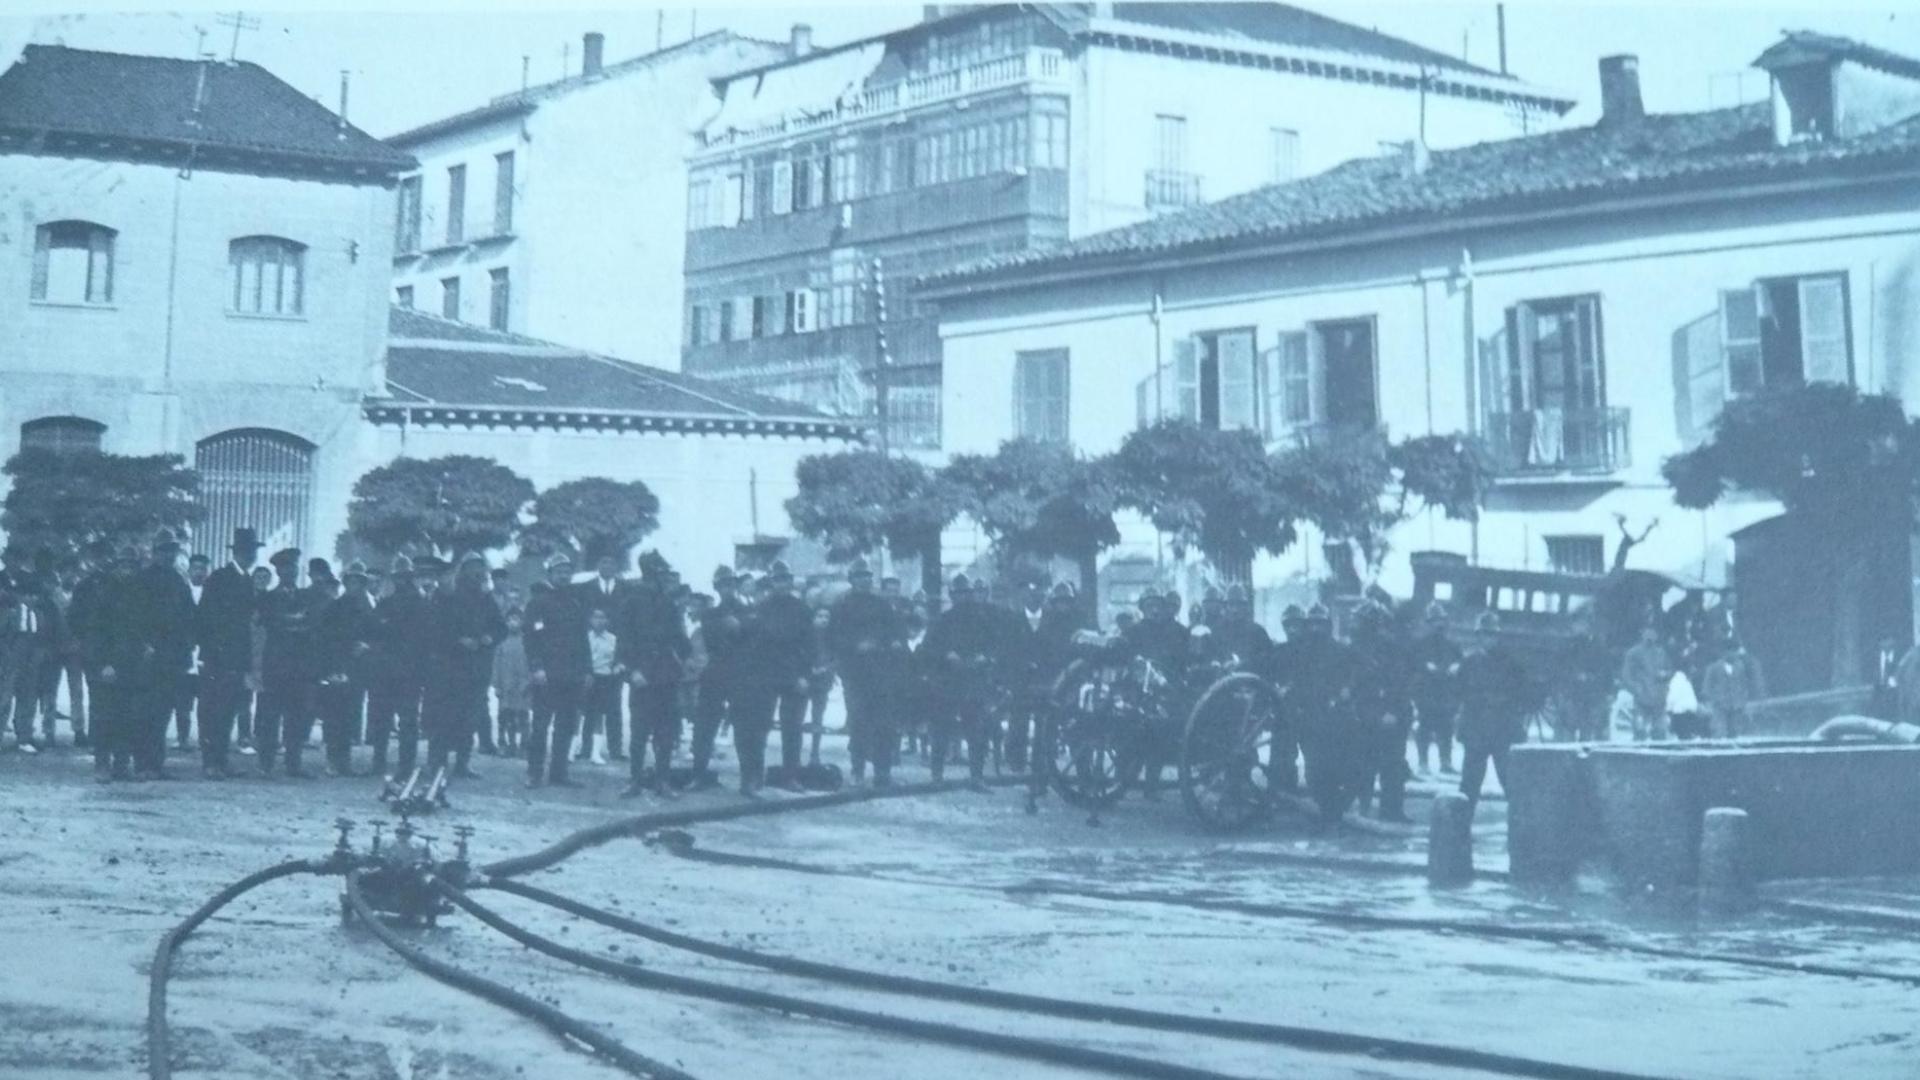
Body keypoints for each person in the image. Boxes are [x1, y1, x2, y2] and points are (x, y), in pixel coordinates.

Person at [424, 554, 505, 779]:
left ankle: (462, 763)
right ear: (463, 569)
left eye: (480, 567)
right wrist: (458, 641)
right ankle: (437, 762)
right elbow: (433, 629)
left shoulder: (486, 598)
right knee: (443, 716)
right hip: (448, 667)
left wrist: (489, 637)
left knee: (469, 718)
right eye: (472, 567)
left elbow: (501, 627)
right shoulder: (445, 596)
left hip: (476, 668)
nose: (477, 572)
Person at [827, 559, 906, 787]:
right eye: (860, 577)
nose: (865, 581)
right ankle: (858, 768)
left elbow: (896, 631)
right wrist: (855, 646)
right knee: (858, 722)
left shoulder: (882, 606)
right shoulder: (841, 606)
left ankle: (883, 771)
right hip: (855, 673)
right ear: (852, 580)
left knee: (884, 723)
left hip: (881, 671)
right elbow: (833, 638)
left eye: (868, 577)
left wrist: (894, 643)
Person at [736, 560, 813, 794]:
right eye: (778, 580)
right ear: (771, 583)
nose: (782, 584)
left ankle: (791, 777)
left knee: (793, 729)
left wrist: (804, 675)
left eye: (786, 579)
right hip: (764, 676)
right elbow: (750, 646)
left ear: (791, 582)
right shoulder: (760, 609)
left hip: (793, 675)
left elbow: (810, 646)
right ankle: (754, 778)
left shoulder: (802, 609)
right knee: (759, 728)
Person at [617, 555, 690, 798]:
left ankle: (662, 781)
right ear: (649, 574)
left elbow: (680, 639)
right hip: (642, 676)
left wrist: (685, 658)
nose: (663, 579)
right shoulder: (631, 602)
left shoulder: (669, 604)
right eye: (660, 574)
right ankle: (634, 780)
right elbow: (624, 641)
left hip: (667, 675)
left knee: (666, 732)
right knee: (639, 732)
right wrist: (632, 670)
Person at [126, 531, 197, 780]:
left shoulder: (179, 581)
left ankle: (156, 762)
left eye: (172, 551)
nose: (168, 555)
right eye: (164, 550)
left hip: (173, 656)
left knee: (164, 711)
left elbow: (190, 617)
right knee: (144, 711)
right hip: (148, 655)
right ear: (154, 553)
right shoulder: (141, 580)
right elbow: (132, 619)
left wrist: (188, 645)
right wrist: (143, 645)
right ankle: (142, 763)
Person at [924, 575, 1003, 790]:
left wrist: (984, 657)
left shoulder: (983, 621)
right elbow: (929, 648)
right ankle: (937, 776)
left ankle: (976, 777)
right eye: (958, 594)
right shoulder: (942, 621)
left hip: (974, 681)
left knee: (976, 732)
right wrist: (947, 655)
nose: (963, 598)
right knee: (940, 730)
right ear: (952, 596)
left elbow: (996, 646)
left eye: (966, 593)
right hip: (947, 681)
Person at [1456, 614, 1542, 808]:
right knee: (1469, 784)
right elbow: (1458, 692)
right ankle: (1460, 830)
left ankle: (1520, 831)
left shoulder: (1512, 664)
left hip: (1503, 731)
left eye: (1491, 635)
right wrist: (1478, 700)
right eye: (1483, 635)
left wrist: (1506, 702)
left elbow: (1525, 695)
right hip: (1476, 730)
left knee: (1510, 782)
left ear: (1498, 637)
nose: (1488, 639)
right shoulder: (1469, 663)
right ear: (1477, 637)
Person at [195, 528, 261, 778]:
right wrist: (213, 652)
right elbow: (206, 618)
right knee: (212, 711)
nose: (250, 555)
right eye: (246, 551)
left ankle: (221, 760)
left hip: (238, 658)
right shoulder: (220, 579)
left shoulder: (247, 580)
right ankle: (210, 762)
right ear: (238, 552)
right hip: (218, 658)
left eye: (253, 552)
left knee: (229, 711)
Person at [525, 553, 589, 788]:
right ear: (550, 574)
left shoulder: (575, 603)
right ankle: (534, 772)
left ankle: (559, 773)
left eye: (567, 571)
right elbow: (531, 639)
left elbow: (583, 640)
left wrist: (587, 670)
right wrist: (537, 667)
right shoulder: (538, 603)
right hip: (547, 675)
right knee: (540, 726)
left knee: (566, 725)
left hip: (571, 675)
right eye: (559, 571)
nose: (564, 575)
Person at [256, 548, 322, 778]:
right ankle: (266, 764)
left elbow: (312, 625)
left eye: (293, 567)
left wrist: (292, 624)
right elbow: (270, 627)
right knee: (269, 717)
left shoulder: (306, 596)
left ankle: (293, 763)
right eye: (285, 568)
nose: (290, 572)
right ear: (278, 571)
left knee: (296, 716)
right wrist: (294, 623)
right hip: (275, 665)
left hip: (300, 666)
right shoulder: (268, 598)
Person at [1350, 599, 1414, 822]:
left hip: (1389, 715)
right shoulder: (1353, 648)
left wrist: (1392, 712)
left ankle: (1392, 810)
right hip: (1364, 715)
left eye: (1359, 621)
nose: (1355, 625)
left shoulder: (1390, 649)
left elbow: (1400, 683)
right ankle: (1364, 807)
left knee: (1393, 766)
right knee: (1363, 765)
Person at [367, 555, 431, 777]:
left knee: (406, 720)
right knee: (384, 718)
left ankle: (403, 765)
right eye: (398, 577)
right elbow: (373, 630)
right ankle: (381, 762)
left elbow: (424, 640)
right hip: (388, 669)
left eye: (405, 577)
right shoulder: (387, 602)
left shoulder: (421, 604)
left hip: (408, 670)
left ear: (410, 577)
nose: (401, 581)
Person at [315, 561, 381, 776]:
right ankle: (333, 760)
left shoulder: (368, 607)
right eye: (351, 581)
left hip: (358, 668)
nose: (355, 585)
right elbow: (324, 638)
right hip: (337, 666)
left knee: (351, 715)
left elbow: (376, 634)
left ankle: (345, 760)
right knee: (334, 716)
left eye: (359, 581)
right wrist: (331, 667)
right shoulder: (335, 607)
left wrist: (367, 645)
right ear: (346, 583)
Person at [1409, 602, 1461, 775]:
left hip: (1446, 693)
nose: (1439, 624)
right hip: (1426, 692)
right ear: (1428, 623)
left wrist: (1456, 666)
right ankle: (1423, 763)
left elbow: (1460, 664)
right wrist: (1425, 667)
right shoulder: (1419, 645)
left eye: (1441, 621)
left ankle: (1445, 762)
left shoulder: (1452, 645)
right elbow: (1414, 665)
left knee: (1446, 728)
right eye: (1434, 621)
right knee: (1425, 727)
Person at [172, 553, 212, 752]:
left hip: (206, 654)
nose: (199, 572)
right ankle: (182, 738)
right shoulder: (180, 592)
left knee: (206, 704)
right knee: (183, 702)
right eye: (195, 568)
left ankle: (205, 740)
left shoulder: (213, 593)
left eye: (203, 569)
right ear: (189, 571)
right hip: (185, 653)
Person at [1702, 638, 1765, 739]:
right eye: (1730, 651)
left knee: (1735, 731)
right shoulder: (1714, 668)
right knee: (1720, 731)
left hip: (1736, 704)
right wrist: (1712, 700)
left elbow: (1744, 684)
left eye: (1735, 651)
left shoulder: (1740, 667)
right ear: (1724, 652)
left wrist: (1743, 698)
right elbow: (1707, 686)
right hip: (1720, 705)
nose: (1733, 654)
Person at [1620, 625, 1672, 741]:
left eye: (1653, 632)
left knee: (1660, 731)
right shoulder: (1633, 653)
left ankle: (1660, 754)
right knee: (1640, 729)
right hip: (1641, 697)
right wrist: (1636, 688)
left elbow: (1669, 670)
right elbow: (1626, 675)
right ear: (1642, 633)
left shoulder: (1661, 653)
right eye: (1648, 631)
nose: (1650, 635)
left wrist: (1664, 676)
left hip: (1659, 697)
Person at [492, 606, 531, 757]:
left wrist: (529, 681)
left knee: (523, 715)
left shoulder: (527, 642)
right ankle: (506, 743)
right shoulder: (501, 644)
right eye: (509, 620)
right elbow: (496, 665)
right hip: (506, 685)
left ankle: (524, 745)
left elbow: (530, 664)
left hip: (523, 685)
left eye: (516, 620)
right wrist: (496, 685)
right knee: (505, 716)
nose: (513, 623)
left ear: (522, 622)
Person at [805, 605, 835, 768]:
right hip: (806, 678)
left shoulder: (831, 638)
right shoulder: (806, 636)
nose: (823, 619)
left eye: (826, 617)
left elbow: (836, 658)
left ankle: (814, 753)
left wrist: (827, 669)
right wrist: (809, 668)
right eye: (820, 616)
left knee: (818, 716)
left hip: (823, 679)